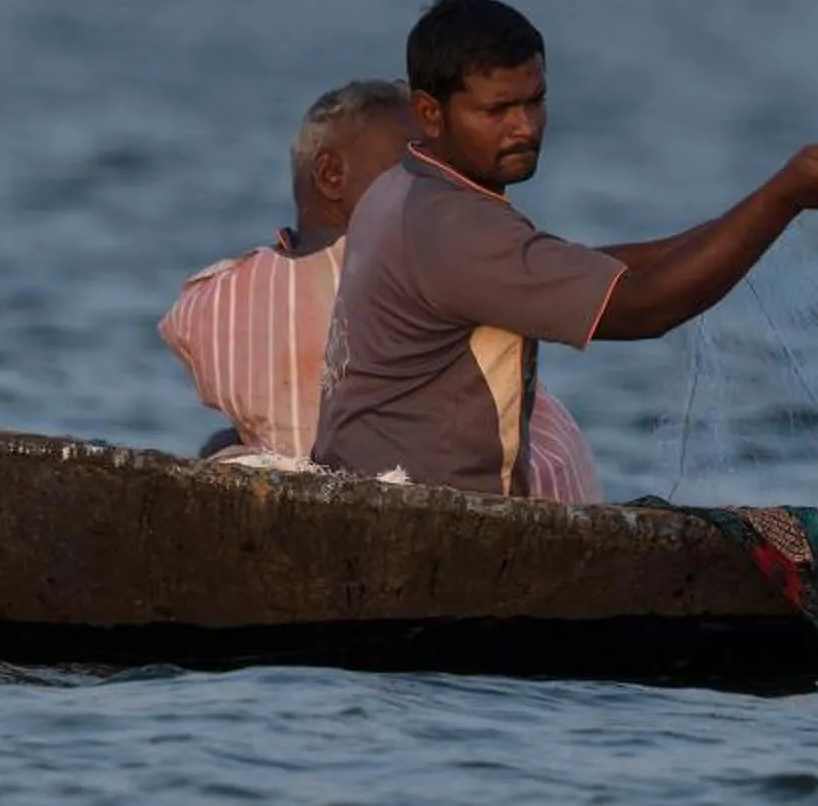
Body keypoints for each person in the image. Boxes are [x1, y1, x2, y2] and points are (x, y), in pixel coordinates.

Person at [313, 0, 818, 498]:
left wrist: (756, 210)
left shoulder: (403, 185)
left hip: (371, 494)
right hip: (426, 518)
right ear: (431, 112)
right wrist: (783, 199)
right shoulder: (454, 226)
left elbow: (593, 270)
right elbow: (646, 307)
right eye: (497, 110)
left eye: (535, 101)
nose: (525, 127)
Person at [160, 76, 606, 499]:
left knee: (223, 442)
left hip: (327, 485)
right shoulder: (429, 257)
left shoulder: (212, 300)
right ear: (331, 176)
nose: (433, 183)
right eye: (410, 166)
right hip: (499, 495)